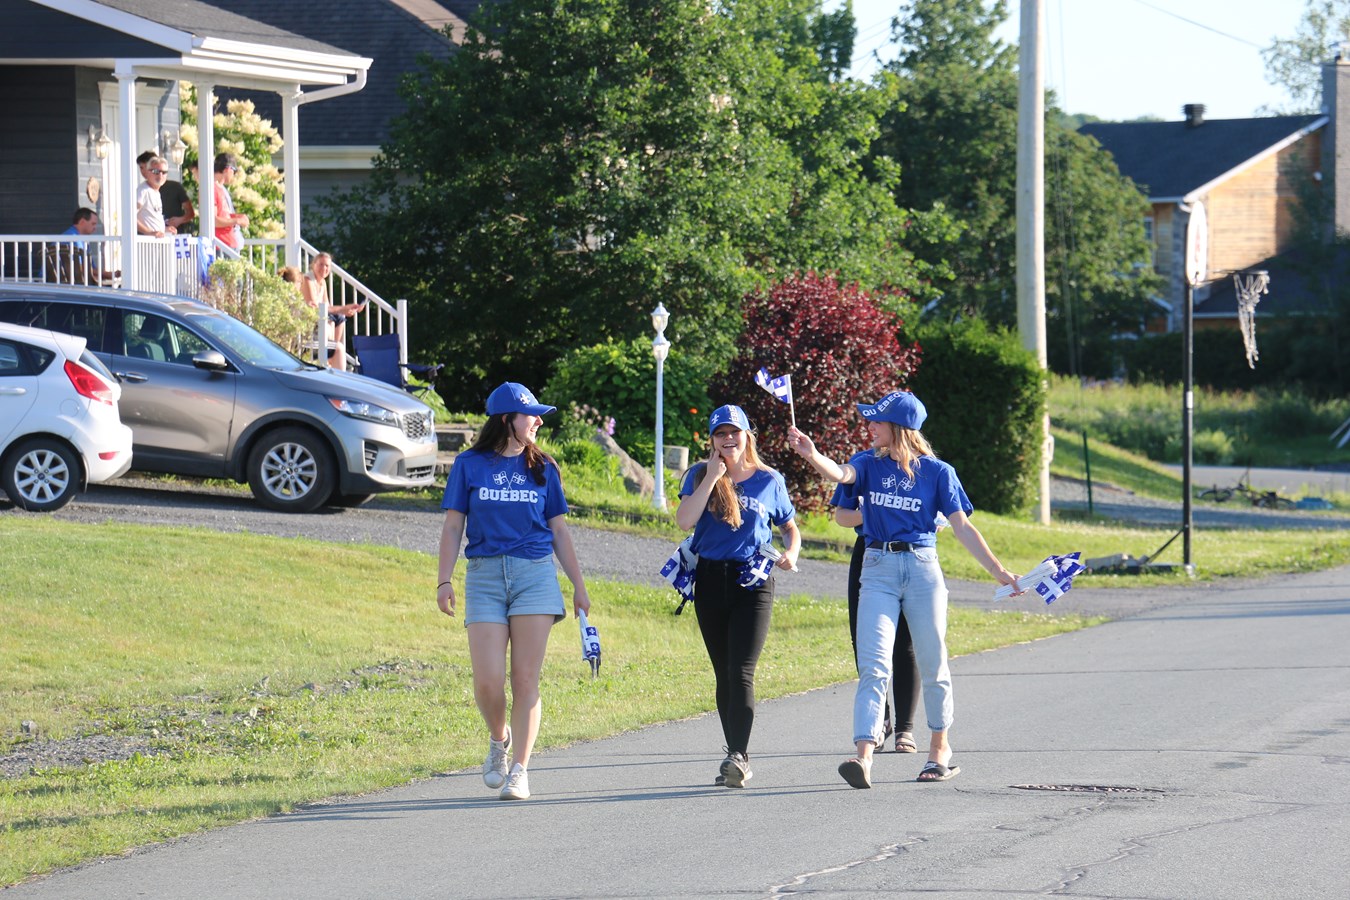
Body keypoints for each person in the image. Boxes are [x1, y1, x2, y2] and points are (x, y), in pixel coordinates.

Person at [787, 390, 1022, 788]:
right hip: (876, 567)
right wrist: (811, 454)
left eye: (876, 421)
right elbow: (841, 475)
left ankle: (939, 751)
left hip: (922, 569)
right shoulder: (867, 462)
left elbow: (962, 526)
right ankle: (863, 756)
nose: (870, 427)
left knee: (933, 662)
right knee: (874, 664)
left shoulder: (938, 472)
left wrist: (999, 571)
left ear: (898, 428)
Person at [436, 382, 591, 801]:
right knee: (488, 682)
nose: (539, 421)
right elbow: (453, 526)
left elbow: (560, 530)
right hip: (484, 576)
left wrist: (578, 586)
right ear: (508, 420)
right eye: (531, 415)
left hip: (534, 577)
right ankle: (498, 739)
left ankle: (520, 769)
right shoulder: (469, 465)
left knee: (525, 679)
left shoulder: (545, 467)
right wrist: (444, 579)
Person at [676, 404, 801, 788]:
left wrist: (791, 553)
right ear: (711, 440)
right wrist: (713, 477)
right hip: (711, 579)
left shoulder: (769, 480)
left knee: (741, 670)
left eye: (735, 433)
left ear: (748, 436)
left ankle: (738, 756)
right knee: (722, 672)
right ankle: (734, 752)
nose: (728, 440)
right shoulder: (700, 474)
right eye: (720, 434)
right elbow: (685, 520)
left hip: (754, 583)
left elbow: (790, 528)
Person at [830, 479, 920, 755]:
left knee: (904, 643)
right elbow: (842, 516)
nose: (874, 433)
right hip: (869, 550)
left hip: (913, 552)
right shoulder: (864, 465)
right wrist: (875, 513)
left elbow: (942, 515)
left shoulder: (925, 467)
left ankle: (905, 727)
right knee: (866, 641)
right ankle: (880, 720)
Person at [298, 252, 366, 370]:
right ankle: (330, 353)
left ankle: (331, 353)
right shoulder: (308, 280)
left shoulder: (322, 282)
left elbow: (327, 306)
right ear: (313, 264)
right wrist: (343, 308)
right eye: (321, 265)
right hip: (308, 327)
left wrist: (346, 310)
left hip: (320, 323)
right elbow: (316, 308)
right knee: (333, 318)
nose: (324, 268)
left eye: (327, 266)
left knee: (339, 317)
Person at [60, 208, 118, 284]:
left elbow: (90, 268)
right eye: (93, 224)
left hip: (64, 281)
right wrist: (108, 274)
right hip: (67, 282)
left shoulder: (81, 240)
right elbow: (81, 267)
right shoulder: (73, 238)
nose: (95, 228)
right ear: (82, 222)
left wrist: (108, 274)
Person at [212, 153, 249, 250]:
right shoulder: (212, 188)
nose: (234, 175)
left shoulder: (220, 188)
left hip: (229, 245)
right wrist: (236, 221)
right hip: (220, 246)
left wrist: (238, 217)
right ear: (227, 169)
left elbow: (223, 215)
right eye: (234, 171)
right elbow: (213, 220)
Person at [136, 156, 174, 238]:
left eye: (164, 172)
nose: (160, 175)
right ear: (147, 172)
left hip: (157, 244)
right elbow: (131, 217)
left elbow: (151, 220)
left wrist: (165, 229)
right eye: (156, 171)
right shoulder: (143, 191)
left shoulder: (156, 193)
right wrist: (149, 233)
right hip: (146, 244)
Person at [160, 164, 195, 234]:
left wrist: (180, 220)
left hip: (176, 235)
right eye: (154, 171)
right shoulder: (144, 190)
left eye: (163, 172)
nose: (159, 175)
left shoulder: (175, 187)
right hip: (153, 236)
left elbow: (190, 213)